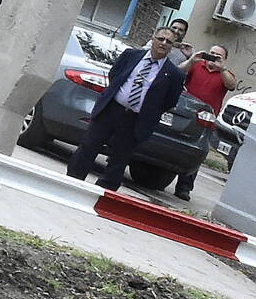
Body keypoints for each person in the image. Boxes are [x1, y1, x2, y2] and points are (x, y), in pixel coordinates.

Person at [65, 27, 185, 191]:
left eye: (168, 42)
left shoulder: (173, 74)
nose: (163, 43)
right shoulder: (131, 56)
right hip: (111, 110)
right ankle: (72, 181)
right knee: (88, 146)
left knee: (119, 158)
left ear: (172, 46)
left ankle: (104, 191)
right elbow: (115, 75)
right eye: (161, 39)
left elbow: (169, 101)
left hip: (135, 119)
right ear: (153, 38)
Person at [177, 41, 238, 199]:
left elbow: (231, 85)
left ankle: (184, 187)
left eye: (218, 56)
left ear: (224, 59)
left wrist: (222, 68)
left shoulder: (226, 73)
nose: (213, 57)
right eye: (211, 53)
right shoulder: (197, 65)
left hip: (205, 121)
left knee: (195, 153)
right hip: (185, 112)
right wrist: (192, 59)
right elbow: (179, 71)